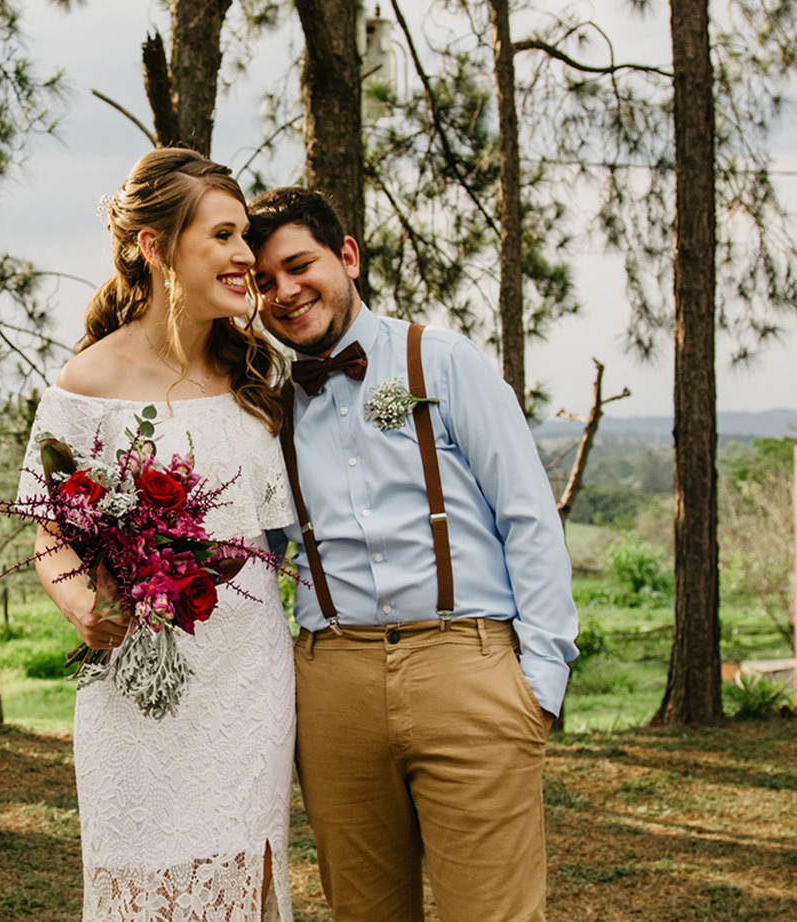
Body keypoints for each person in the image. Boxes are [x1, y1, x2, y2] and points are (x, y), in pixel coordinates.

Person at [247, 186, 580, 921]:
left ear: (347, 256)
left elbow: (526, 514)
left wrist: (540, 683)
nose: (285, 292)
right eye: (263, 282)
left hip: (467, 665)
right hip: (332, 682)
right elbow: (254, 544)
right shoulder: (266, 400)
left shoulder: (443, 359)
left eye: (299, 266)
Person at [20, 148, 296, 919]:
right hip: (135, 685)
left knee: (244, 875)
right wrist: (83, 607)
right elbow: (51, 532)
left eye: (245, 235)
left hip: (247, 679)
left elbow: (278, 537)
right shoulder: (86, 385)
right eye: (223, 236)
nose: (246, 255)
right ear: (154, 245)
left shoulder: (252, 380)